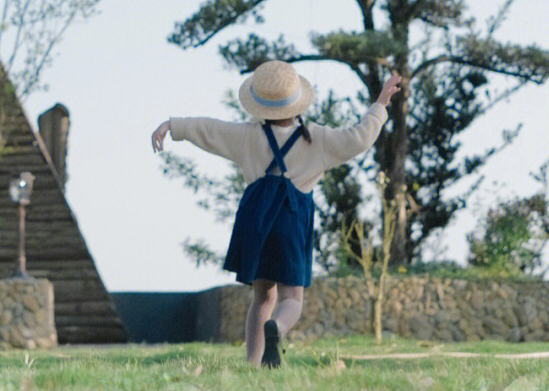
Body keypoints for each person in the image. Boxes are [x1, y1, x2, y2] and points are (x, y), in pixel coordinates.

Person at [152, 61, 403, 365]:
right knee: (291, 298)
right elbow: (358, 138)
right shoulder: (318, 138)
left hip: (255, 222)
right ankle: (278, 327)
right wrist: (380, 104)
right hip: (292, 224)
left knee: (262, 298)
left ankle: (252, 363)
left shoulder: (247, 136)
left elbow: (210, 129)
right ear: (298, 101)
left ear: (260, 105)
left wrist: (172, 125)